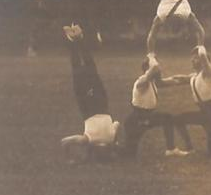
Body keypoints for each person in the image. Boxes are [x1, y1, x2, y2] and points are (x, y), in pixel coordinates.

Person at [59, 24, 119, 162]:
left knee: (91, 69)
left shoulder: (110, 138)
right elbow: (64, 141)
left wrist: (115, 142)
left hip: (103, 105)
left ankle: (79, 39)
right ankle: (73, 40)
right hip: (87, 108)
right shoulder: (87, 140)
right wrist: (68, 158)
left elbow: (117, 123)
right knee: (78, 70)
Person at [122, 54, 185, 158]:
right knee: (128, 153)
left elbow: (167, 81)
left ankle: (171, 149)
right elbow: (155, 69)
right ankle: (107, 148)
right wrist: (151, 56)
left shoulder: (152, 82)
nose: (159, 72)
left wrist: (182, 80)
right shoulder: (142, 81)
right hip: (138, 118)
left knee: (167, 118)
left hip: (144, 116)